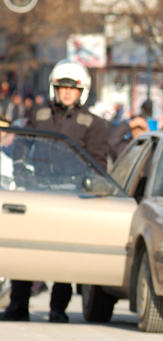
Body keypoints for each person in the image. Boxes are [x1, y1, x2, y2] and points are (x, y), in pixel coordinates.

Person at [1, 59, 109, 323]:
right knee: (26, 251)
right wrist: (21, 170)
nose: (67, 93)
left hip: (71, 195)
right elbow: (21, 146)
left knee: (65, 254)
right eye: (63, 88)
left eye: (73, 89)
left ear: (82, 91)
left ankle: (58, 308)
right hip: (37, 191)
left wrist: (87, 184)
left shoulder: (93, 123)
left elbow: (98, 162)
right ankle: (18, 304)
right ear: (54, 88)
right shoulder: (38, 115)